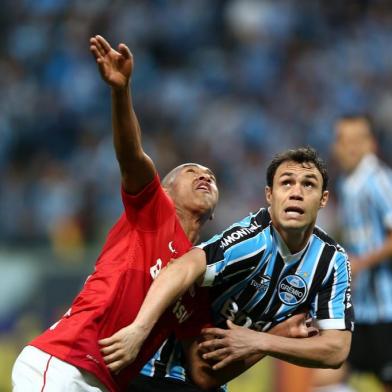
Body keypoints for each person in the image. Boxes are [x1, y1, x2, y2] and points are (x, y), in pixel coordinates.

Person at [11, 35, 219, 392]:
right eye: (191, 171)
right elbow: (131, 155)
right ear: (165, 191)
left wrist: (269, 340)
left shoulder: (196, 277)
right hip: (64, 363)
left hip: (102, 385)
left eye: (211, 176)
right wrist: (121, 93)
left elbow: (201, 373)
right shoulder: (154, 212)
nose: (205, 175)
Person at [99, 146, 354, 391]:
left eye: (308, 184)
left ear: (323, 199)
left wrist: (262, 341)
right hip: (155, 374)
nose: (296, 192)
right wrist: (139, 329)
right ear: (269, 195)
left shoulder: (333, 261)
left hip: (209, 380)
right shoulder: (251, 240)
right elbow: (182, 267)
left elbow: (336, 350)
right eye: (286, 182)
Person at [312, 115, 392, 392]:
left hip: (386, 309)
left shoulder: (378, 181)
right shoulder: (348, 183)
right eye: (342, 140)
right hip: (361, 308)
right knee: (326, 377)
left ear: (371, 144)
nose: (347, 147)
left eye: (356, 140)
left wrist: (359, 264)